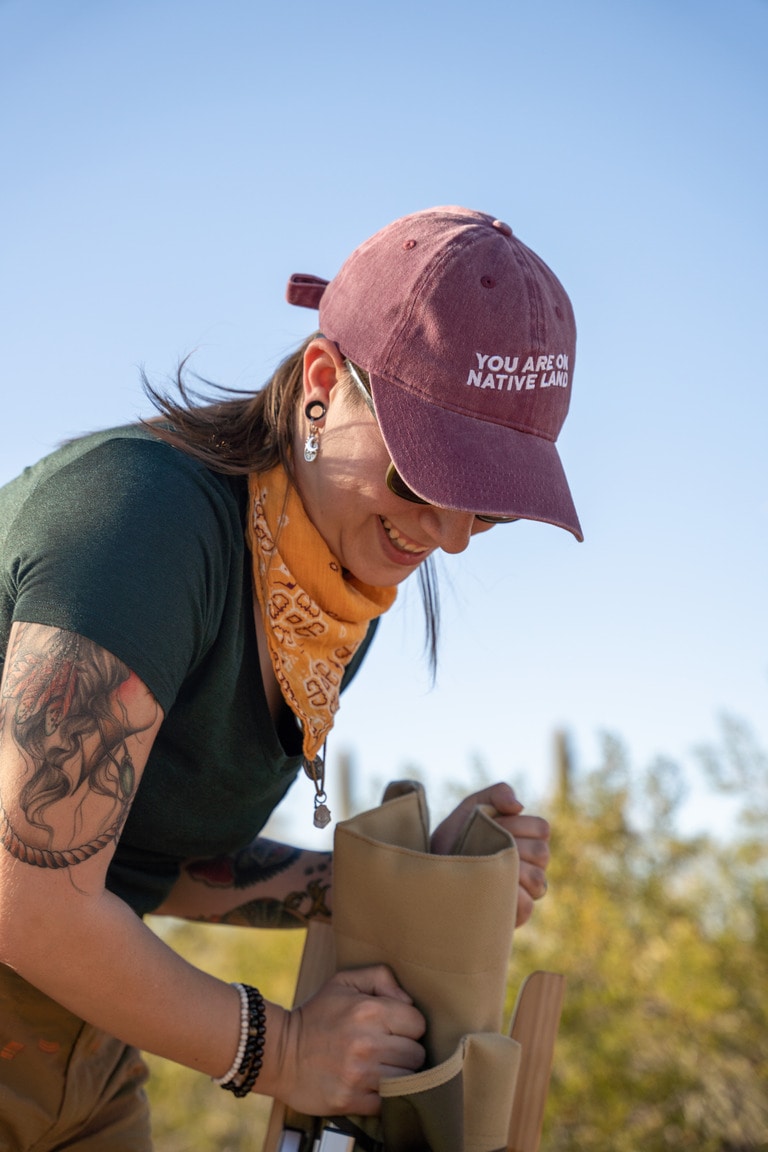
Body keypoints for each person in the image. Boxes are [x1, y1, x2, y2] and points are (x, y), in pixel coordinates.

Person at [0, 205, 582, 1149]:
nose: (449, 537)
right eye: (426, 477)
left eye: (491, 509)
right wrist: (287, 1051)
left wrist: (410, 885)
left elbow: (140, 863)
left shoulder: (331, 589)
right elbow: (28, 903)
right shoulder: (144, 526)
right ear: (321, 386)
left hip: (82, 1041)